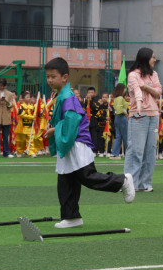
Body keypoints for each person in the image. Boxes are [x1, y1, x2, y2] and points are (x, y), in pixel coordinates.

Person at [43, 57, 135, 229]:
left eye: (53, 76)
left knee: (87, 176)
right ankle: (71, 216)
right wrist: (56, 129)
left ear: (64, 77)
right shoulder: (62, 95)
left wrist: (56, 131)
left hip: (75, 142)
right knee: (65, 180)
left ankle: (122, 181)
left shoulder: (68, 97)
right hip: (71, 141)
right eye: (47, 76)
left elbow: (72, 121)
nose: (49, 80)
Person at [125, 48, 162, 193]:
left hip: (154, 115)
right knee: (136, 149)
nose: (154, 60)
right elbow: (137, 91)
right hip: (138, 116)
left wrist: (146, 86)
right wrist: (140, 102)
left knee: (150, 150)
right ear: (146, 59)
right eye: (153, 57)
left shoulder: (154, 74)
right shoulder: (133, 75)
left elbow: (158, 92)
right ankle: (129, 183)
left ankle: (145, 183)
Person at [110, 83, 129, 159]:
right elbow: (119, 108)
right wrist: (124, 112)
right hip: (122, 118)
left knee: (118, 137)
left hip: (117, 118)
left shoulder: (116, 98)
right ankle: (129, 153)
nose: (125, 90)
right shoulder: (121, 98)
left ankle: (114, 153)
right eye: (124, 89)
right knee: (126, 136)